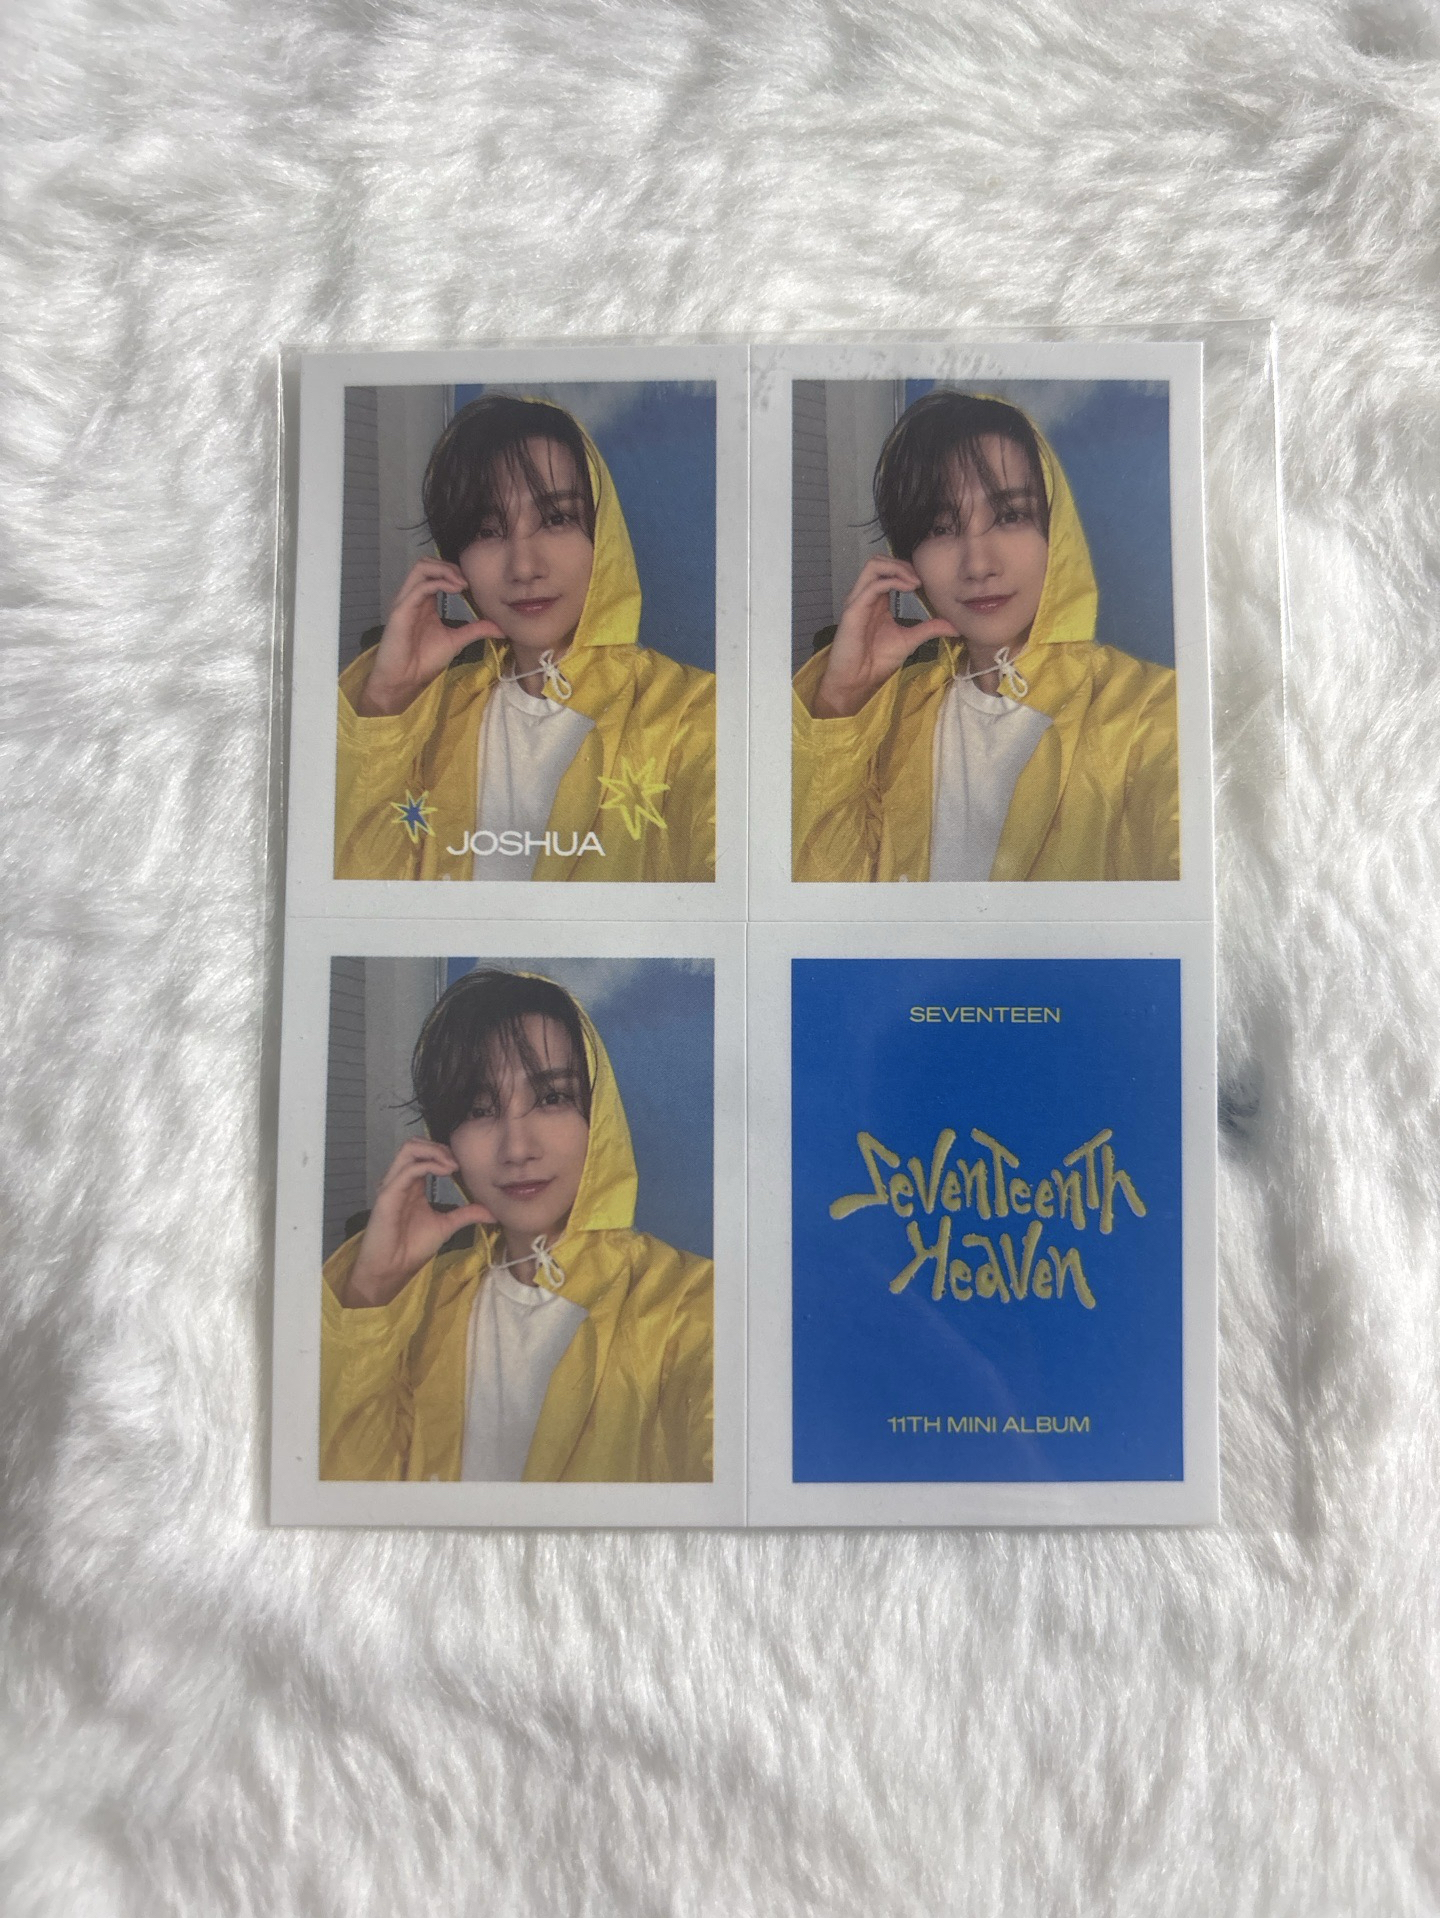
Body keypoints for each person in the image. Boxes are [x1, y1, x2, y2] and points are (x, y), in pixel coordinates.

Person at [321, 969, 713, 1482]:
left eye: (552, 1098)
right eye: (479, 1109)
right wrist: (372, 1290)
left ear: (599, 1116)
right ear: (444, 1139)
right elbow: (350, 1493)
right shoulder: (418, 1307)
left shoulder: (690, 1304)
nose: (517, 1149)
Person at [791, 390, 1179, 883]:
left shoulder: (1152, 713)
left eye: (1011, 516)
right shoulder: (890, 718)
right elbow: (822, 902)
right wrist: (840, 702)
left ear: (1056, 532)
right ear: (906, 557)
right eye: (940, 527)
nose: (978, 565)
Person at [334, 394, 716, 882]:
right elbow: (360, 894)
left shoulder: (696, 716)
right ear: (453, 558)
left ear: (603, 534)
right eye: (486, 531)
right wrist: (386, 701)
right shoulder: (427, 720)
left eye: (556, 519)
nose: (523, 567)